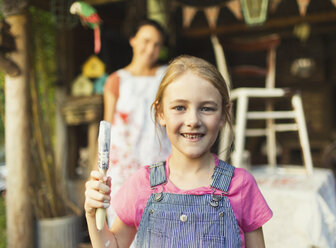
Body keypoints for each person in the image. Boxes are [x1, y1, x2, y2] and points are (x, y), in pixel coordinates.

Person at [85, 55, 273, 247]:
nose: (193, 120)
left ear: (224, 114)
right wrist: (92, 214)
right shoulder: (143, 183)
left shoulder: (241, 185)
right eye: (179, 107)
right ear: (160, 113)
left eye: (207, 108)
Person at [103, 19, 171, 226]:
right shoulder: (116, 80)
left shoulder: (167, 76)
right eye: (146, 41)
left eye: (156, 44)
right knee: (122, 223)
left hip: (159, 160)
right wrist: (99, 170)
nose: (150, 49)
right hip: (123, 166)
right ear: (133, 40)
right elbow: (106, 127)